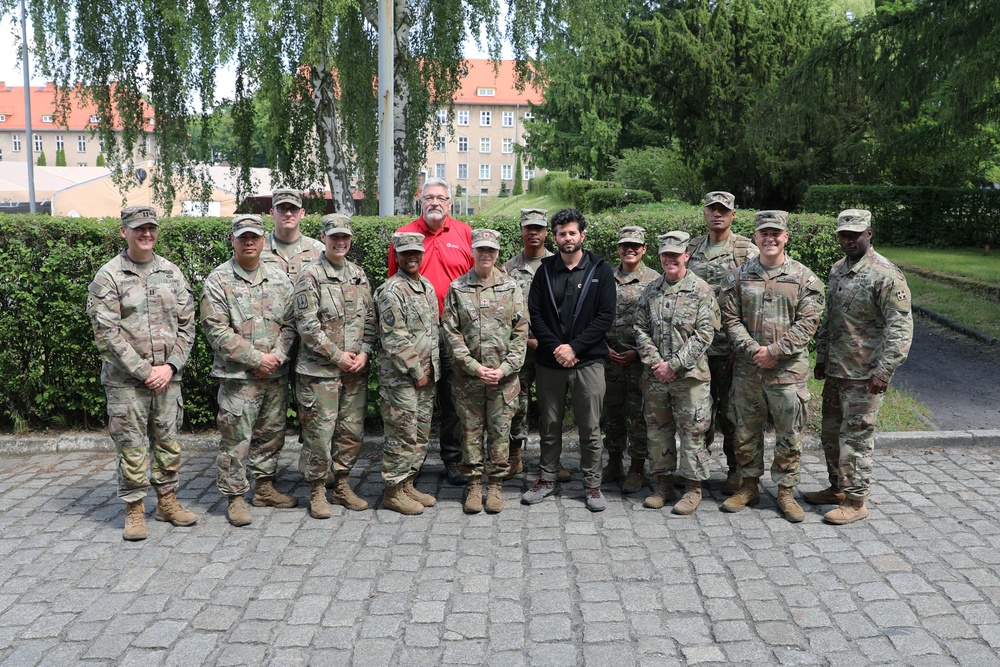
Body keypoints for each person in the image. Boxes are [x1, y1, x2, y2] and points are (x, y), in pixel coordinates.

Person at [86, 205, 197, 541]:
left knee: (168, 443)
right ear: (124, 232)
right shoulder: (109, 276)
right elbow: (106, 333)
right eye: (138, 229)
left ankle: (166, 502)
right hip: (127, 383)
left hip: (167, 378)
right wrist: (145, 370)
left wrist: (170, 366)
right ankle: (134, 509)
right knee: (131, 446)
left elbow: (187, 325)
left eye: (151, 228)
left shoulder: (172, 273)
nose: (146, 234)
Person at [805, 209, 913, 524]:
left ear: (869, 234)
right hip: (838, 371)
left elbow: (901, 330)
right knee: (830, 433)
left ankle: (856, 501)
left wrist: (884, 372)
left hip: (866, 376)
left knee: (856, 438)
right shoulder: (838, 270)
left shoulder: (886, 274)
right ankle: (837, 488)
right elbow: (830, 319)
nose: (849, 240)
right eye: (844, 235)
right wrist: (822, 358)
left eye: (855, 234)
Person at [720, 210, 825, 522]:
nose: (770, 239)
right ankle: (748, 485)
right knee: (744, 431)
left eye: (776, 233)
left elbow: (809, 323)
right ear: (755, 238)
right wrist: (754, 350)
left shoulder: (804, 278)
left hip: (787, 373)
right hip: (748, 370)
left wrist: (775, 352)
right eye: (764, 233)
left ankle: (785, 491)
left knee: (789, 433)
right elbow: (730, 319)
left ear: (785, 238)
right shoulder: (738, 277)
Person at [200, 215, 299, 527]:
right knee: (236, 439)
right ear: (233, 240)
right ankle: (235, 498)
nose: (249, 242)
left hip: (275, 374)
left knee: (271, 433)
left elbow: (291, 322)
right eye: (243, 237)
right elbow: (217, 332)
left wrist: (278, 356)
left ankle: (265, 488)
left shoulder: (279, 278)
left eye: (254, 236)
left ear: (262, 239)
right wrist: (258, 359)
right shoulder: (218, 281)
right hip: (238, 378)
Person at [521, 208, 616, 512]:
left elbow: (604, 318)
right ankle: (547, 478)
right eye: (561, 233)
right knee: (549, 425)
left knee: (590, 427)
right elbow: (535, 315)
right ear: (555, 237)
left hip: (588, 361)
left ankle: (592, 485)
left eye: (572, 232)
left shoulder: (600, 270)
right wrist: (556, 348)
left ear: (582, 235)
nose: (567, 238)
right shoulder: (545, 271)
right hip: (550, 363)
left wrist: (574, 348)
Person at [387, 177, 473, 485]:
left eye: (441, 198)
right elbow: (392, 282)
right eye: (429, 197)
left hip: (453, 332)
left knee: (453, 398)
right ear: (419, 201)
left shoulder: (465, 233)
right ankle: (411, 464)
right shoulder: (404, 235)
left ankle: (452, 459)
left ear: (450, 203)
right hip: (415, 335)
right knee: (415, 399)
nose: (435, 202)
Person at [293, 214, 377, 518]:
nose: (340, 242)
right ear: (324, 237)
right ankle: (317, 490)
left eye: (345, 237)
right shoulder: (310, 276)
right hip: (320, 372)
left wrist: (365, 351)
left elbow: (370, 318)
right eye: (334, 237)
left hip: (354, 371)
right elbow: (307, 326)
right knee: (319, 433)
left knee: (350, 432)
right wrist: (338, 356)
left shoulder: (358, 273)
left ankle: (342, 485)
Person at [633, 232, 719, 514]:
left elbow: (705, 334)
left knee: (693, 432)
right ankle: (663, 484)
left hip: (690, 378)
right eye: (665, 254)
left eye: (675, 254)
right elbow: (640, 328)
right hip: (656, 376)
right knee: (658, 432)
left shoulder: (701, 290)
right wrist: (657, 362)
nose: (670, 259)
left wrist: (675, 364)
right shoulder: (651, 290)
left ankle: (693, 488)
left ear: (686, 256)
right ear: (659, 257)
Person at [444, 229, 529, 514]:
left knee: (500, 433)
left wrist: (505, 369)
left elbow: (520, 332)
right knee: (469, 433)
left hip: (503, 381)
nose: (486, 254)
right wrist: (474, 367)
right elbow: (451, 334)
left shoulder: (510, 287)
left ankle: (494, 485)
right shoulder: (458, 288)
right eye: (481, 249)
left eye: (491, 250)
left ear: (497, 252)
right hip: (469, 379)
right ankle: (473, 485)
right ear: (472, 251)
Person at [686, 191, 759, 493]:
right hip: (698, 348)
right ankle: (695, 472)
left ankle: (735, 471)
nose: (717, 214)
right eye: (712, 209)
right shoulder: (690, 248)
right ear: (704, 213)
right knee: (697, 413)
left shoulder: (746, 251)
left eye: (723, 210)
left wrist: (744, 346)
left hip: (731, 348)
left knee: (732, 413)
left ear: (733, 215)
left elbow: (756, 303)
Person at [501, 208, 570, 482]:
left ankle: (551, 461)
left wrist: (550, 341)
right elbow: (502, 312)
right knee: (516, 405)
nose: (533, 233)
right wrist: (524, 339)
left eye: (539, 228)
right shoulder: (507, 268)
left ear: (547, 233)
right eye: (528, 228)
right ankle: (514, 457)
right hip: (518, 350)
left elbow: (567, 309)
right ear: (521, 230)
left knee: (551, 407)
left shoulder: (560, 264)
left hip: (551, 349)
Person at [376, 232, 442, 515]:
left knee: (419, 433)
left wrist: (430, 371)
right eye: (406, 254)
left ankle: (407, 483)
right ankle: (393, 491)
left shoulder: (426, 286)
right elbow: (395, 339)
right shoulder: (391, 291)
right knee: (401, 433)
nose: (412, 258)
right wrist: (417, 372)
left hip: (427, 376)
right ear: (397, 256)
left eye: (416, 253)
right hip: (403, 379)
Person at [602, 226, 660, 493]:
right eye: (625, 245)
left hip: (640, 361)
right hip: (609, 358)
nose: (630, 250)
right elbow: (593, 316)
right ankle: (614, 463)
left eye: (636, 246)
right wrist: (602, 348)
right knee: (611, 414)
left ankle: (637, 468)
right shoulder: (604, 278)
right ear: (618, 249)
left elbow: (660, 325)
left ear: (644, 249)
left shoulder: (656, 281)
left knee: (639, 416)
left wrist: (638, 353)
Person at [260, 188, 325, 280]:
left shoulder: (319, 250)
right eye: (282, 208)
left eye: (294, 209)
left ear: (302, 213)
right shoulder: (258, 249)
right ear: (272, 213)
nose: (288, 214)